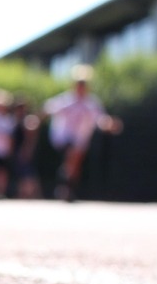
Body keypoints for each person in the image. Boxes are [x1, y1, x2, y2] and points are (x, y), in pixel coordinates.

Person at [42, 65, 122, 202]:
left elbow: (101, 119)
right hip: (62, 138)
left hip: (81, 140)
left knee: (75, 164)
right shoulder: (65, 100)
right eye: (79, 84)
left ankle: (68, 188)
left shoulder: (92, 103)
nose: (81, 87)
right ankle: (64, 183)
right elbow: (47, 110)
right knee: (72, 154)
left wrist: (110, 124)